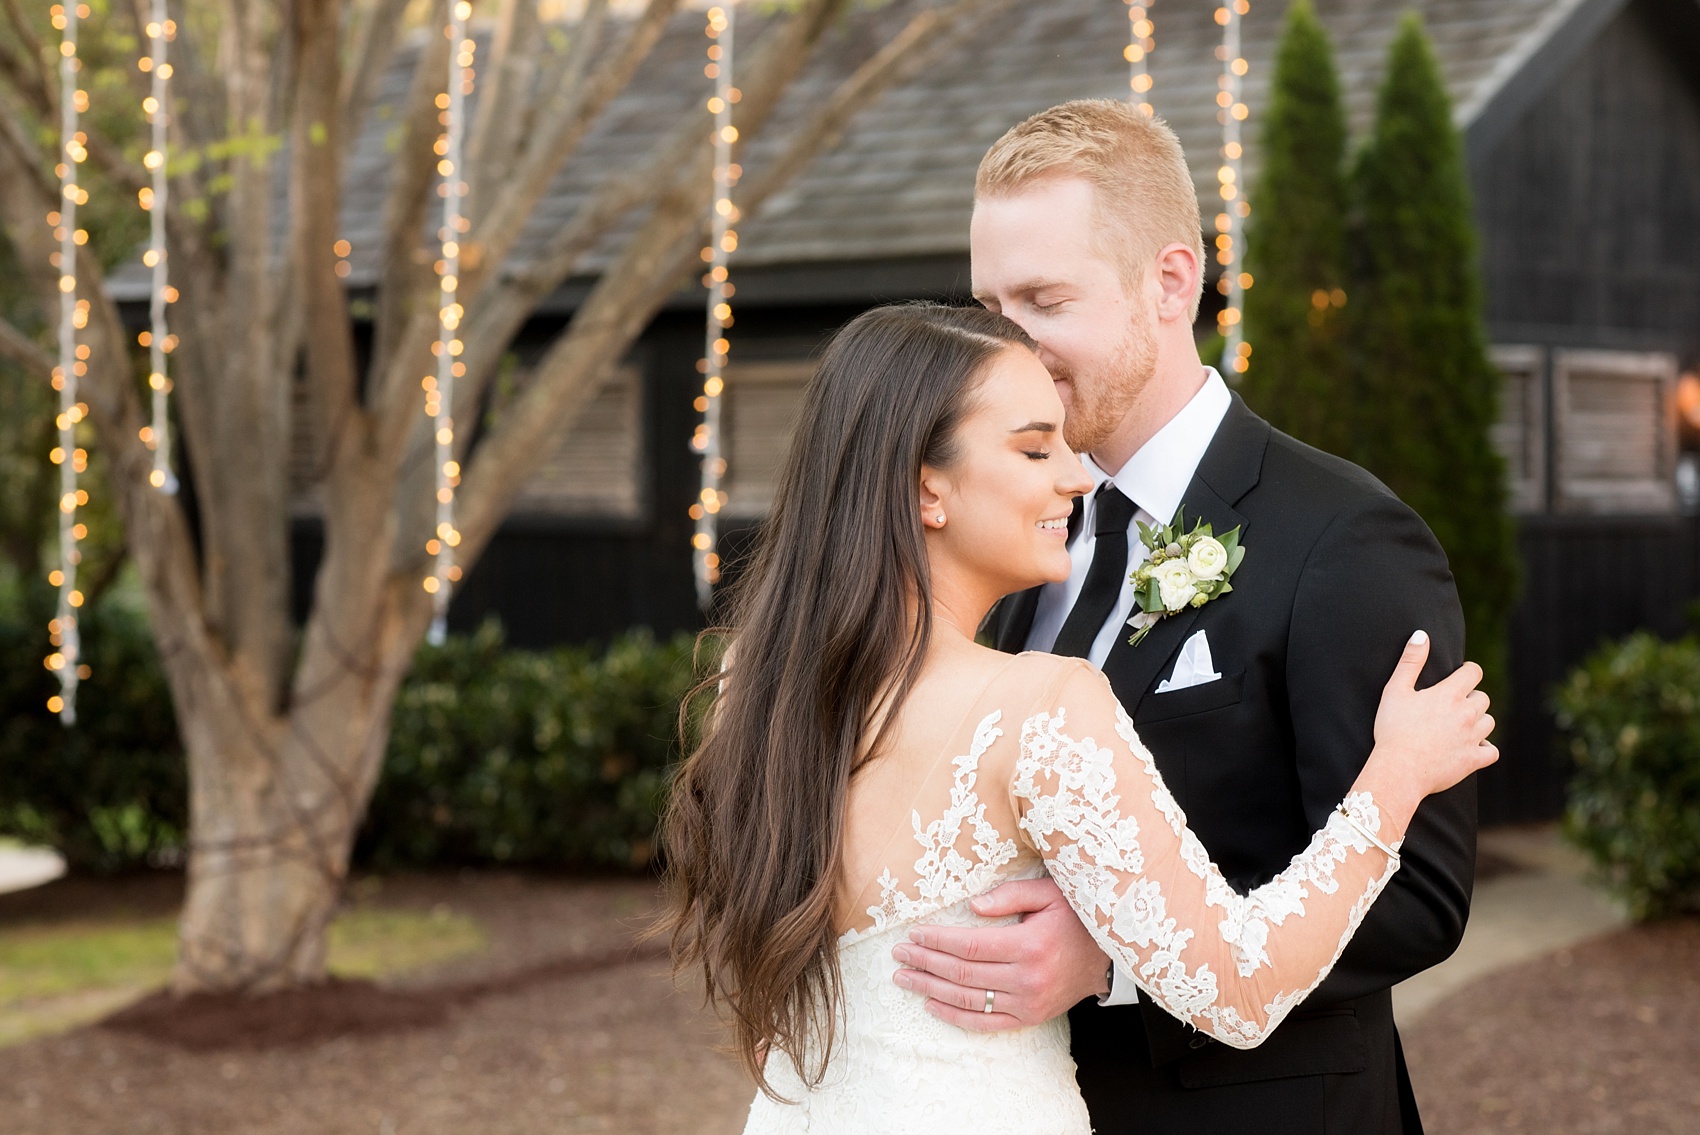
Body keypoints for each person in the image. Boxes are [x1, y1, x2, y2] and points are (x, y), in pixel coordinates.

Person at [659, 298, 1496, 1134]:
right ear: (927, 490)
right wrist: (1392, 779)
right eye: (1034, 447)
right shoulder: (1039, 704)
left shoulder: (757, 684)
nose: (1076, 474)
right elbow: (1238, 987)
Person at [892, 100, 1479, 1133]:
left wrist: (1113, 956)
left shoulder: (1341, 539)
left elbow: (1419, 897)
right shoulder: (1004, 535)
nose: (1003, 346)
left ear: (1169, 282)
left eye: (1042, 299)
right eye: (987, 304)